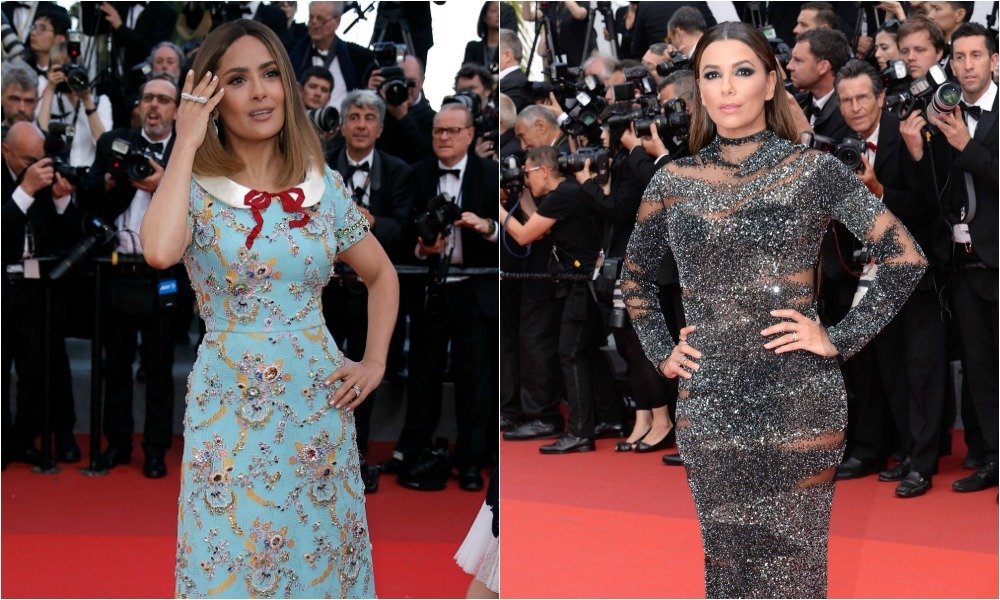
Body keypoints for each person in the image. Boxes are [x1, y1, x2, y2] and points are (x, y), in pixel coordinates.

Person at [621, 22, 926, 597]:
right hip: (709, 402)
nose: (727, 88)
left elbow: (904, 257)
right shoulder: (674, 180)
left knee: (795, 570)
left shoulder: (814, 171)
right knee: (728, 569)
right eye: (713, 74)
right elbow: (633, 275)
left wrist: (839, 336)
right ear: (700, 90)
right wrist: (663, 352)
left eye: (743, 72)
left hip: (798, 400)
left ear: (770, 83)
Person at [139, 19, 397, 597]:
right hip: (229, 405)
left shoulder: (320, 185)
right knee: (227, 564)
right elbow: (158, 250)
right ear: (208, 96)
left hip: (318, 405)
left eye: (271, 74)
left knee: (320, 560)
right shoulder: (195, 186)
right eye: (237, 79)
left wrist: (373, 362)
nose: (260, 92)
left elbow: (381, 274)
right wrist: (185, 138)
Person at [77, 74, 183, 479]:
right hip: (118, 269)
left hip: (164, 274)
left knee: (159, 369)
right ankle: (117, 445)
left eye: (163, 99)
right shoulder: (114, 144)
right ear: (138, 106)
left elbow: (201, 207)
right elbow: (87, 195)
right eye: (148, 99)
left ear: (176, 110)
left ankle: (155, 450)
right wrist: (110, 179)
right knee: (115, 366)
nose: (154, 106)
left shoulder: (187, 152)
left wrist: (163, 183)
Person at [1, 121, 81, 468]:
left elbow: (67, 238)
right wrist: (25, 192)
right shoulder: (24, 181)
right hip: (4, 284)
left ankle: (23, 439)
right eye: (28, 159)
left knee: (34, 372)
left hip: (36, 289)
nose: (37, 165)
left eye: (41, 158)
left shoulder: (45, 177)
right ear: (7, 152)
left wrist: (62, 202)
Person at [463, 1, 500, 73]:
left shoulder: (506, 48)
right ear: (484, 17)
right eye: (494, 11)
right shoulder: (472, 47)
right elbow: (465, 74)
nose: (498, 14)